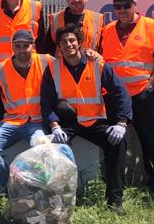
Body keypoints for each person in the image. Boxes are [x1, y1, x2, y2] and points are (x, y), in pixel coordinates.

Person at [42, 25, 132, 213]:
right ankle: (55, 201)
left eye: (72, 40)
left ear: (79, 42)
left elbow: (120, 93)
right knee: (49, 148)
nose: (68, 44)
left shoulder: (97, 64)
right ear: (59, 47)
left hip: (95, 121)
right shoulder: (52, 68)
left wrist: (122, 123)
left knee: (118, 143)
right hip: (67, 123)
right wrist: (54, 125)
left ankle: (114, 200)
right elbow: (46, 101)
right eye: (64, 42)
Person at [98, 0, 154, 198]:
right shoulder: (108, 29)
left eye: (126, 5)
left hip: (140, 95)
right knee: (115, 143)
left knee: (149, 141)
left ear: (135, 5)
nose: (122, 10)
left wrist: (150, 85)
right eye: (117, 6)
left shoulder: (151, 27)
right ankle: (115, 187)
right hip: (114, 97)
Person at [0, 30, 47, 189]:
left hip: (37, 121)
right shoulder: (1, 69)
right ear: (12, 47)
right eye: (18, 46)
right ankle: (11, 185)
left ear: (33, 46)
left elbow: (69, 62)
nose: (22, 50)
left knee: (40, 148)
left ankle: (36, 189)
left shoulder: (46, 61)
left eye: (26, 45)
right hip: (11, 122)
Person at [43, 0, 107, 55]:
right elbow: (48, 49)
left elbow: (103, 49)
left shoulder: (98, 19)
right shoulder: (55, 19)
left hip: (89, 65)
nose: (76, 0)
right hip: (61, 65)